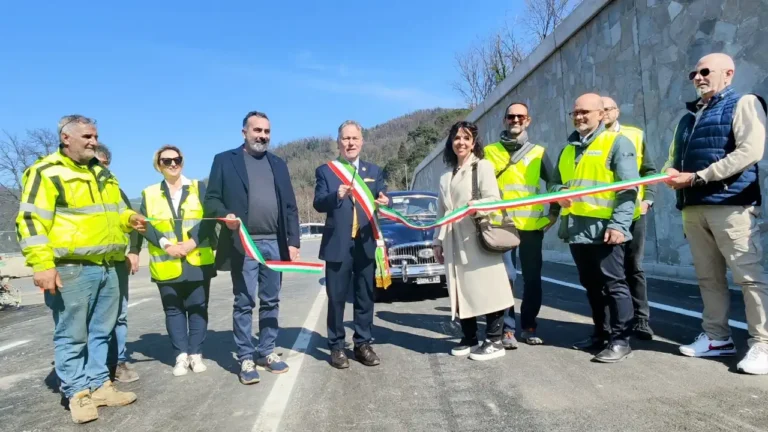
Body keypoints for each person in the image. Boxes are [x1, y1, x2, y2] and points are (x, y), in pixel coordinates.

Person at [15, 115, 146, 424]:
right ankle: (77, 392)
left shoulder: (103, 174)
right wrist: (42, 264)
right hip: (71, 268)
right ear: (67, 138)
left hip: (107, 266)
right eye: (87, 135)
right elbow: (31, 220)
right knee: (73, 335)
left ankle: (100, 385)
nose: (93, 141)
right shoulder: (46, 172)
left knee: (102, 332)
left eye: (95, 135)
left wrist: (129, 218)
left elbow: (115, 209)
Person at [663, 53, 768, 374]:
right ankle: (716, 337)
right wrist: (672, 169)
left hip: (731, 204)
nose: (698, 77)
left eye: (706, 71)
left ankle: (763, 343)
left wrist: (696, 177)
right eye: (694, 72)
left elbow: (751, 151)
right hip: (693, 208)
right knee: (708, 278)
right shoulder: (689, 117)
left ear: (729, 74)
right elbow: (673, 157)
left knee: (749, 278)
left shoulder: (744, 103)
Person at [204, 111, 300, 384]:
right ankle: (246, 356)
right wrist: (226, 215)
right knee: (244, 301)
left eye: (267, 131)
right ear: (244, 132)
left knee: (271, 300)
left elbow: (290, 207)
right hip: (243, 243)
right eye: (257, 130)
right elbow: (211, 200)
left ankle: (266, 351)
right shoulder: (224, 161)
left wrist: (293, 242)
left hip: (274, 243)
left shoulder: (279, 164)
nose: (263, 136)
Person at [551, 94, 639, 363]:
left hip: (606, 229)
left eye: (585, 112)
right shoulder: (568, 149)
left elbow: (628, 189)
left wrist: (618, 225)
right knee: (591, 286)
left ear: (601, 114)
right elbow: (554, 184)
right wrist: (559, 194)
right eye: (575, 112)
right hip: (577, 229)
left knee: (614, 285)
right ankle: (600, 333)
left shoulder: (617, 143)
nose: (579, 116)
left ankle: (621, 340)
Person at [432, 121, 515, 361]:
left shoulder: (483, 167)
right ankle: (469, 336)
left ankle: (494, 339)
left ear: (474, 142)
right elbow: (441, 212)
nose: (461, 142)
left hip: (476, 236)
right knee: (461, 289)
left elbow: (493, 199)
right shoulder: (446, 176)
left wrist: (475, 207)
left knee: (489, 287)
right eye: (457, 138)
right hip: (453, 240)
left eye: (466, 138)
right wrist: (437, 242)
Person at [313, 120, 390, 369]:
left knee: (364, 296)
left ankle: (362, 344)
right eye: (345, 139)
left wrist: (385, 201)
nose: (350, 143)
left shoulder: (374, 171)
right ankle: (336, 346)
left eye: (354, 138)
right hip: (338, 243)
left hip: (366, 242)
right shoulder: (326, 171)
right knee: (336, 297)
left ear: (362, 141)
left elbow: (382, 197)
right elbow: (318, 203)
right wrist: (336, 195)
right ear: (338, 142)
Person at [137, 145, 217, 377]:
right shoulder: (149, 193)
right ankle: (181, 356)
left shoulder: (198, 187)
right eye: (166, 161)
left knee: (198, 307)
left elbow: (209, 218)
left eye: (177, 159)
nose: (173, 164)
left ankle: (196, 353)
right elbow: (145, 225)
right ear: (158, 165)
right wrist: (166, 245)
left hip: (196, 258)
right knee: (173, 310)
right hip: (166, 261)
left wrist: (192, 242)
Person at [484, 102, 559, 348]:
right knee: (507, 278)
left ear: (528, 120)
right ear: (505, 120)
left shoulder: (538, 152)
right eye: (511, 117)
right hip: (501, 226)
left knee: (532, 279)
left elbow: (555, 185)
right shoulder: (489, 152)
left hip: (531, 226)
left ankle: (529, 326)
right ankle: (507, 329)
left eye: (520, 117)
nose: (515, 120)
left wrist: (554, 213)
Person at [601, 96, 657, 340]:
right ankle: (609, 324)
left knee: (633, 267)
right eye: (600, 110)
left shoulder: (636, 135)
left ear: (617, 111)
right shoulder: (591, 141)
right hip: (603, 215)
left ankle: (641, 320)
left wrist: (648, 200)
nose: (604, 113)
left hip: (634, 213)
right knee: (608, 272)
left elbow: (650, 170)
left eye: (608, 109)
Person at [96, 143, 141, 383]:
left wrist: (133, 250)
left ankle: (118, 361)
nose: (101, 168)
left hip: (116, 262)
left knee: (119, 315)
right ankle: (94, 369)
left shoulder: (115, 190)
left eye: (104, 164)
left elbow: (132, 220)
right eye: (96, 163)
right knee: (91, 321)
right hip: (84, 265)